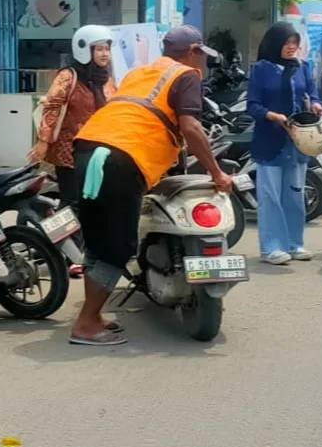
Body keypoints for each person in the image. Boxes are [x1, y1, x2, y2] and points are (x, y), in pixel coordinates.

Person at [68, 25, 233, 346]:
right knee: (118, 245)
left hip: (89, 148)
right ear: (192, 52)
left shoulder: (140, 73)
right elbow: (191, 126)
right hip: (121, 157)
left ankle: (94, 315)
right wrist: (217, 173)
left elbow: (141, 115)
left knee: (99, 241)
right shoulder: (186, 75)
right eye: (201, 55)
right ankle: (85, 324)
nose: (203, 63)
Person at [245, 21, 322, 264]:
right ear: (274, 44)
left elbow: (312, 93)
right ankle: (271, 248)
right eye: (286, 43)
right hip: (270, 141)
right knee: (270, 196)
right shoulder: (261, 69)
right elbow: (253, 106)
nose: (291, 48)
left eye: (294, 43)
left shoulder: (303, 67)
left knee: (294, 194)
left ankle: (294, 244)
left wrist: (316, 104)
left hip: (298, 139)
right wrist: (273, 116)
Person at [29, 25, 118, 204]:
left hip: (98, 149)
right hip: (68, 151)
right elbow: (52, 106)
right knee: (72, 200)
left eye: (107, 49)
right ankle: (66, 231)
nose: (104, 54)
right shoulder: (69, 76)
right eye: (99, 49)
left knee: (95, 199)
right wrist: (43, 141)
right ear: (85, 49)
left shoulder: (106, 79)